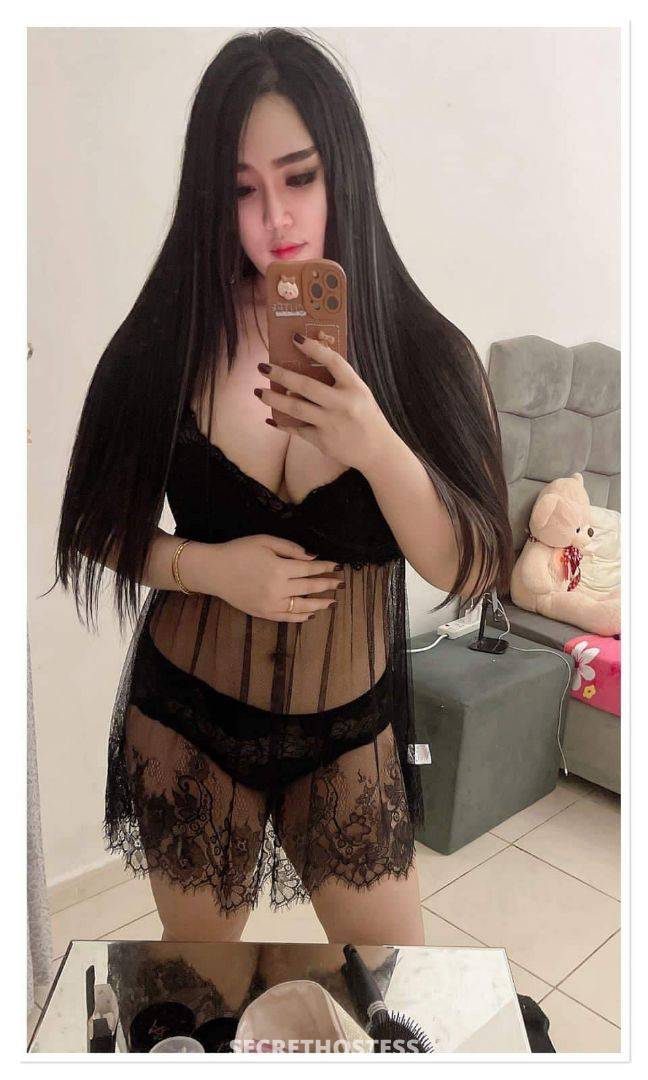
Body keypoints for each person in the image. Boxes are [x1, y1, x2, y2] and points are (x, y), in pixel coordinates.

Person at [54, 29, 513, 945]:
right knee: (203, 990)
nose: (275, 219)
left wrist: (375, 446)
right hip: (188, 718)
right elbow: (92, 528)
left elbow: (468, 569)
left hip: (350, 736)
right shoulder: (171, 339)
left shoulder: (423, 354)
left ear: (345, 171)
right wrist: (208, 568)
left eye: (299, 177)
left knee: (393, 990)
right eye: (242, 190)